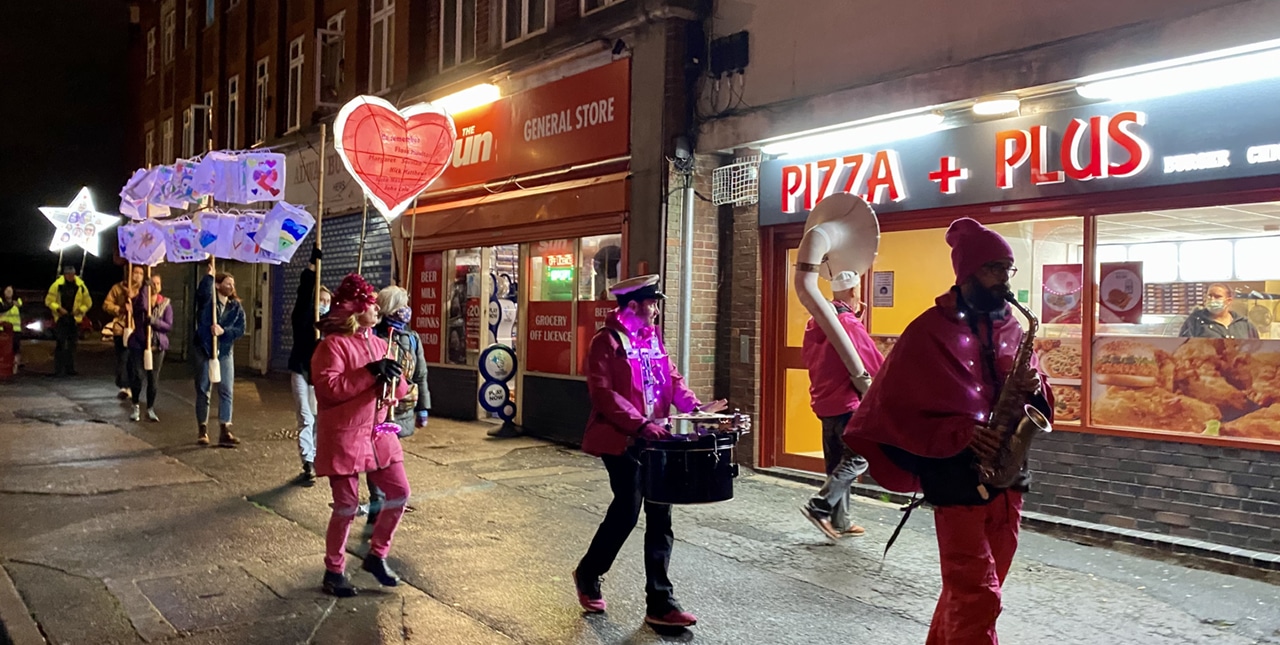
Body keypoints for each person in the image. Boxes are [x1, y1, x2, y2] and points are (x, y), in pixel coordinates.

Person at [845, 218, 1053, 645]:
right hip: (956, 479)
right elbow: (892, 410)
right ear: (968, 272)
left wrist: (1036, 389)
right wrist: (961, 434)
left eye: (1007, 269)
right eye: (994, 268)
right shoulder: (927, 330)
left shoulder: (1015, 328)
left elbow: (1039, 395)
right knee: (977, 594)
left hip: (1008, 476)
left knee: (971, 591)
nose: (1003, 279)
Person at [573, 275, 726, 629]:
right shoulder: (606, 342)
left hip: (658, 440)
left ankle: (660, 601)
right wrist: (640, 424)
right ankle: (588, 573)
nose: (656, 310)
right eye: (652, 304)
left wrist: (696, 410)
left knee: (661, 516)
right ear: (632, 307)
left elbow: (672, 381)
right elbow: (604, 395)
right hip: (623, 439)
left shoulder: (652, 338)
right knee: (628, 509)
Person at [311, 273, 410, 598]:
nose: (376, 308)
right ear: (354, 310)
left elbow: (396, 389)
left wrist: (399, 382)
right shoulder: (332, 345)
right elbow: (329, 389)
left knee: (399, 492)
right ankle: (334, 569)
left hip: (379, 433)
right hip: (345, 436)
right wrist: (368, 373)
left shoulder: (381, 343)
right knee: (346, 506)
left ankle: (377, 555)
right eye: (369, 304)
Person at [798, 270, 885, 541]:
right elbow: (870, 359)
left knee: (837, 462)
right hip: (848, 402)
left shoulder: (816, 321)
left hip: (824, 402)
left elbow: (814, 356)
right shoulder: (847, 321)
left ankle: (842, 521)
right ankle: (820, 505)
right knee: (859, 456)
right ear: (853, 292)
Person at [368, 285, 430, 527]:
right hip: (379, 408)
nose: (406, 310)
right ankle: (377, 500)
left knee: (391, 458)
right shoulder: (374, 337)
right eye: (401, 305)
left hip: (404, 407)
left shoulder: (412, 338)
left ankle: (389, 498)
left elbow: (421, 374)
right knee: (376, 456)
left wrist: (423, 406)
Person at [288, 248, 330, 486]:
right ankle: (308, 462)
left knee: (317, 418)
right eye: (321, 301)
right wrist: (311, 267)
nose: (324, 305)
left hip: (320, 376)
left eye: (327, 302)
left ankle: (315, 455)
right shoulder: (303, 318)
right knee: (305, 417)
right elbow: (304, 293)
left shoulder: (332, 326)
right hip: (301, 370)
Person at [194, 263, 246, 447]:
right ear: (218, 285)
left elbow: (241, 328)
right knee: (203, 389)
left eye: (232, 284)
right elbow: (201, 294)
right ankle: (202, 429)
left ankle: (225, 428)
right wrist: (208, 276)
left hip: (224, 352)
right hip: (205, 350)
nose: (231, 286)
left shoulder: (235, 307)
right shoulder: (209, 301)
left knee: (226, 389)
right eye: (227, 283)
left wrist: (224, 332)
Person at [127, 274, 173, 422]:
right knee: (138, 376)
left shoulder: (166, 304)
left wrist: (154, 321)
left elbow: (168, 325)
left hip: (157, 346)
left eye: (158, 283)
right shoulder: (140, 302)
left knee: (153, 379)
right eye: (152, 283)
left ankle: (150, 408)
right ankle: (135, 406)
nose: (155, 286)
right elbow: (142, 305)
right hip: (139, 344)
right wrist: (143, 289)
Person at [104, 266, 145, 399]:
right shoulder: (118, 288)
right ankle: (124, 386)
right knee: (123, 358)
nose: (138, 276)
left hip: (137, 329)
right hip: (121, 328)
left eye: (141, 273)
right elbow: (106, 304)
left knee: (135, 360)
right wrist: (120, 309)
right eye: (136, 272)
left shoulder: (144, 290)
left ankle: (134, 386)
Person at [45, 265, 92, 377]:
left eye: (72, 274)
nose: (71, 276)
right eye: (68, 274)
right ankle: (58, 370)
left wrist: (80, 310)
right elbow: (48, 301)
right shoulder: (57, 285)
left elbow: (88, 302)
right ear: (65, 275)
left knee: (72, 345)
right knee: (61, 344)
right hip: (61, 318)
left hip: (74, 318)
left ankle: (70, 369)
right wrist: (58, 308)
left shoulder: (81, 286)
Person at [1179, 283, 1259, 339]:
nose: (1212, 299)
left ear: (1229, 301)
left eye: (1217, 297)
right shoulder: (1195, 322)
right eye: (1209, 296)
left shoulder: (1244, 325)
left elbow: (1256, 349)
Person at [1, 286, 23, 373]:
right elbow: (2, 309)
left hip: (15, 330)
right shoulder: (1, 301)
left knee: (16, 349)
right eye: (7, 290)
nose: (9, 292)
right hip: (3, 330)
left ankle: (15, 367)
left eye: (11, 291)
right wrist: (11, 304)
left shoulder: (18, 302)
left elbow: (22, 309)